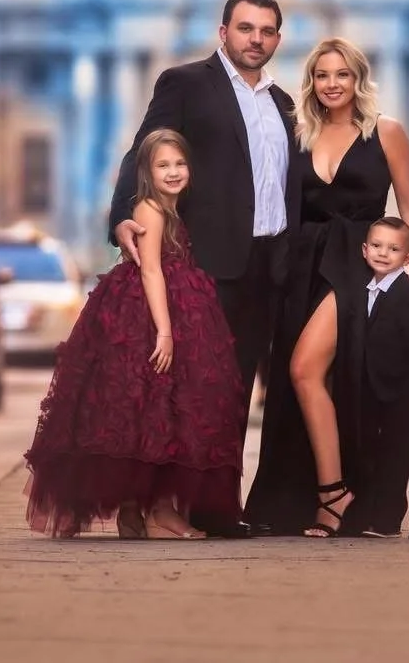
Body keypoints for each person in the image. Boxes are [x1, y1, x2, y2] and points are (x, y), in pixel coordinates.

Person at [108, 0, 298, 537]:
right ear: (223, 33)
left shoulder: (285, 104)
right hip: (207, 263)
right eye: (245, 28)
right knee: (193, 389)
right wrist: (122, 215)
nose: (255, 39)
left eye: (266, 31)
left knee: (235, 393)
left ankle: (215, 504)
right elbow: (144, 150)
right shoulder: (187, 83)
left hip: (268, 265)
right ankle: (169, 503)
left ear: (277, 39)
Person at [243, 37, 409, 538]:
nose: (331, 84)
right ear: (311, 82)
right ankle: (301, 497)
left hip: (359, 267)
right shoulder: (298, 132)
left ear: (358, 79)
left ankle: (335, 494)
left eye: (341, 74)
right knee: (312, 379)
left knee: (305, 369)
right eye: (322, 75)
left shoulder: (386, 132)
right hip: (301, 267)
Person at [24, 129, 246, 540]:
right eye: (163, 165)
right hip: (147, 313)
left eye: (180, 164)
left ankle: (137, 512)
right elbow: (151, 270)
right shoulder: (150, 209)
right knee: (148, 405)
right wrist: (165, 331)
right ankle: (158, 512)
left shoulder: (174, 208)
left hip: (173, 306)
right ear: (147, 171)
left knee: (153, 409)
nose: (173, 172)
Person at [356, 217, 409, 541]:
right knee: (389, 455)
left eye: (393, 249)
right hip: (383, 390)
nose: (383, 253)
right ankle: (387, 520)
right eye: (377, 246)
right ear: (365, 250)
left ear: (407, 258)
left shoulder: (406, 294)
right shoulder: (367, 290)